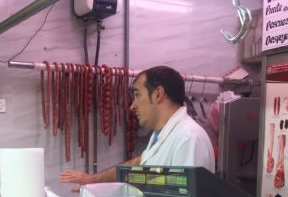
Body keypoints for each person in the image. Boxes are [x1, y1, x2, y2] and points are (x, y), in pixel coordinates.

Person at [60, 66, 215, 186]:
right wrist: (93, 180)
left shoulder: (188, 138)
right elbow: (138, 164)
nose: (133, 105)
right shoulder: (163, 135)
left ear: (158, 94)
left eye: (137, 95)